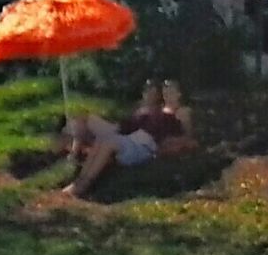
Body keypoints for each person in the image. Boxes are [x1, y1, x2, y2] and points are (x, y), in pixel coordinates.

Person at [60, 81, 189, 198]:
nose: (167, 94)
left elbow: (187, 136)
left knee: (108, 143)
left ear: (179, 94)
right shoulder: (158, 109)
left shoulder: (182, 111)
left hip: (146, 145)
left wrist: (167, 148)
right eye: (166, 91)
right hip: (134, 139)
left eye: (171, 91)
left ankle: (82, 187)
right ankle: (78, 182)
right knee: (102, 141)